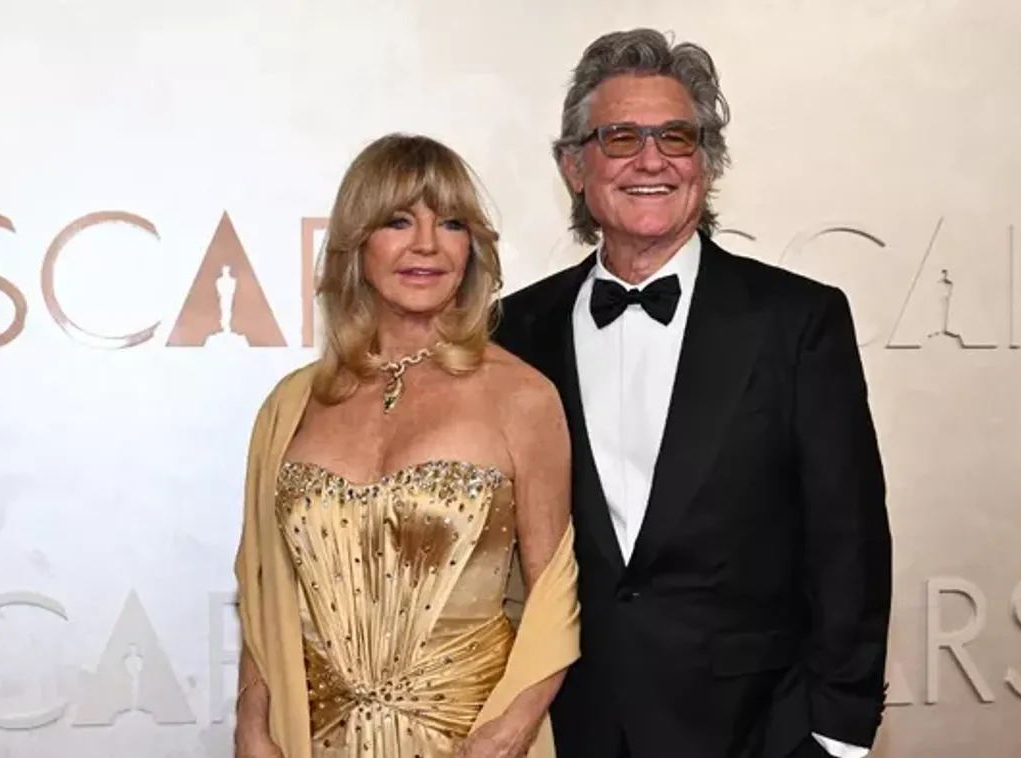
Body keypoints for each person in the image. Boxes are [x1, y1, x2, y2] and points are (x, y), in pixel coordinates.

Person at [494, 29, 892, 758]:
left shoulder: (796, 321)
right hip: (566, 727)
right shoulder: (512, 330)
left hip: (755, 730)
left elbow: (849, 540)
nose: (651, 160)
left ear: (705, 164)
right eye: (620, 137)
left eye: (675, 137)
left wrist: (836, 736)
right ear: (574, 166)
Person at [233, 133, 581, 758]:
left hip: (474, 740)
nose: (426, 244)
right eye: (398, 221)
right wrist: (252, 722)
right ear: (356, 242)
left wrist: (512, 728)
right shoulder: (290, 406)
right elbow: (264, 593)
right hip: (313, 741)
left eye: (451, 223)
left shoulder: (522, 396)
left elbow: (553, 595)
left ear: (472, 248)